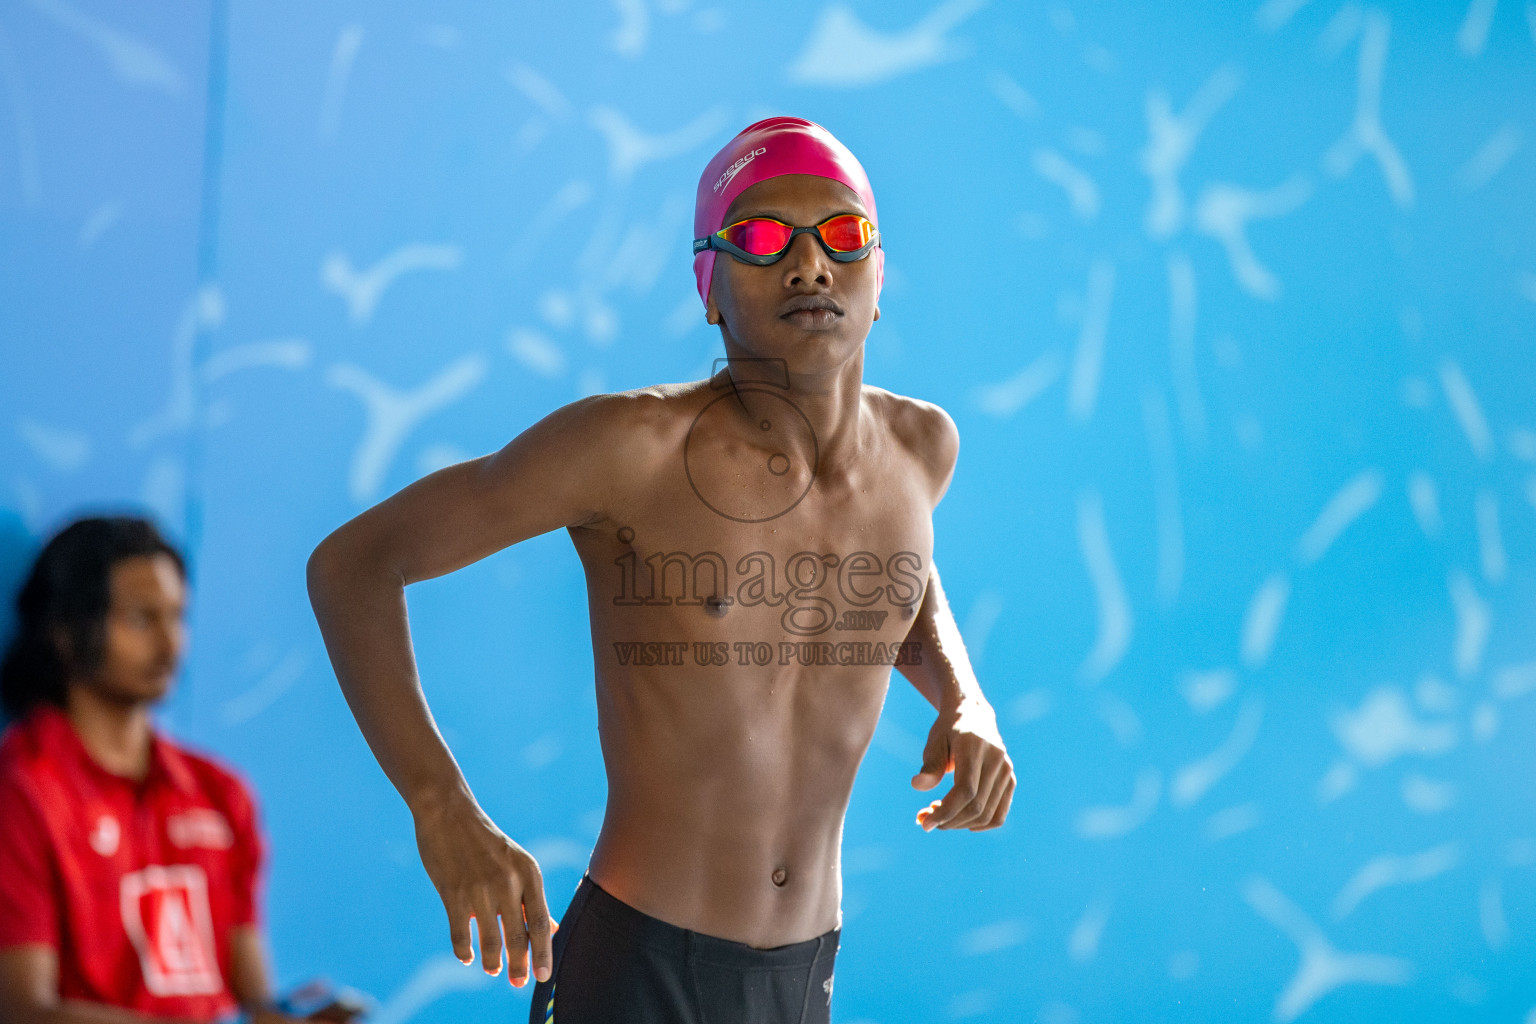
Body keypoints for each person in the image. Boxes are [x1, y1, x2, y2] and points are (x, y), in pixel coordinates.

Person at [307, 116, 1015, 1024]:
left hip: (803, 980)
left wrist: (964, 698)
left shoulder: (923, 450)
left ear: (879, 279)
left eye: (842, 233)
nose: (808, 265)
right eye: (761, 239)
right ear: (708, 289)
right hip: (638, 970)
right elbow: (354, 565)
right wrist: (439, 805)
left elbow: (900, 576)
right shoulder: (629, 449)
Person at [0, 517, 338, 1024]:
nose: (170, 642)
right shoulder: (23, 789)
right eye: (141, 619)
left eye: (178, 617)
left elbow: (256, 1003)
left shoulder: (221, 793)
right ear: (65, 632)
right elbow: (24, 1011)